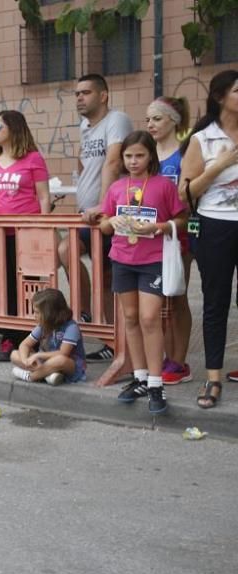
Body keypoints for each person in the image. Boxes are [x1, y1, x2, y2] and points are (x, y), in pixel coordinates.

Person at [99, 131, 186, 414]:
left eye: (139, 155)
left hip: (153, 260)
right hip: (122, 259)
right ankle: (140, 378)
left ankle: (156, 383)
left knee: (150, 318)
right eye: (128, 156)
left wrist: (158, 227)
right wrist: (109, 221)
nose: (133, 161)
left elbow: (182, 218)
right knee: (131, 318)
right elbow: (103, 224)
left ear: (151, 156)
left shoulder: (163, 186)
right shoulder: (116, 187)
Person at [59, 74, 133, 361]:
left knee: (109, 276)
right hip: (88, 213)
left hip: (109, 214)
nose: (79, 97)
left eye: (86, 92)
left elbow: (114, 162)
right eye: (77, 93)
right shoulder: (84, 126)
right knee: (67, 250)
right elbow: (84, 160)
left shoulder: (117, 120)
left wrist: (103, 205)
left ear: (103, 95)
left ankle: (115, 342)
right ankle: (87, 314)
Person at [179, 69, 238, 408]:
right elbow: (185, 194)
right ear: (219, 97)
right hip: (215, 225)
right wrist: (219, 166)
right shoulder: (204, 139)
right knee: (216, 303)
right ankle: (213, 378)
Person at [0, 110, 51, 362]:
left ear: (14, 128)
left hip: (27, 233)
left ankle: (32, 335)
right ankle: (9, 335)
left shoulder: (33, 158)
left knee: (29, 284)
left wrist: (43, 228)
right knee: (5, 283)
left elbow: (43, 197)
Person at [146, 96, 194, 385]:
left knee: (176, 296)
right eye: (148, 119)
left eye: (157, 119)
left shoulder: (185, 154)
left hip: (177, 234)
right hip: (150, 236)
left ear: (173, 121)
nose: (150, 124)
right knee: (157, 299)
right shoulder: (147, 154)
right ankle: (164, 356)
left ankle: (179, 360)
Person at [10, 288, 87, 385]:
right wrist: (26, 361)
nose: (34, 315)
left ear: (50, 314)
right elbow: (24, 345)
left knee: (60, 360)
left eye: (37, 312)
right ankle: (48, 375)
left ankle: (31, 376)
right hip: (44, 362)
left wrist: (38, 355)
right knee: (15, 354)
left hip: (70, 366)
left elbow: (63, 353)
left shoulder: (71, 327)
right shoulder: (43, 326)